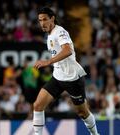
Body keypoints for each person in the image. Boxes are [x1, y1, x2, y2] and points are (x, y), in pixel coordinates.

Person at [33, 7, 100, 135]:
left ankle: (95, 134)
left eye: (45, 19)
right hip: (58, 77)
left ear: (52, 18)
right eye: (40, 20)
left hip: (72, 78)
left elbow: (67, 50)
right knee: (38, 105)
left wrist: (48, 62)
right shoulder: (50, 34)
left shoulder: (60, 32)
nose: (42, 23)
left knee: (83, 112)